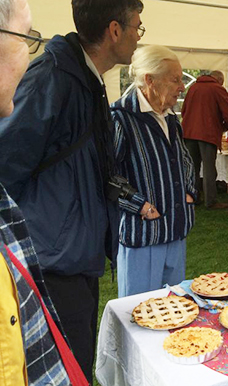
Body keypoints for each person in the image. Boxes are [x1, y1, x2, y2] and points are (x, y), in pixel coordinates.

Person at [0, 0, 144, 381]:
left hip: (76, 256)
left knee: (77, 364)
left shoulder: (85, 79)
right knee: (64, 369)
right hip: (54, 262)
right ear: (115, 31)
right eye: (137, 27)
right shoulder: (52, 78)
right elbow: (5, 161)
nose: (138, 36)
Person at [0, 0, 87, 384]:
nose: (31, 48)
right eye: (26, 37)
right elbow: (11, 161)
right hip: (58, 248)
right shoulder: (49, 76)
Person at [111, 45, 196, 297]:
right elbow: (106, 175)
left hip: (176, 231)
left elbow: (185, 160)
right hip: (144, 235)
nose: (182, 87)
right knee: (138, 312)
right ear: (150, 80)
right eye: (175, 80)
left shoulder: (170, 118)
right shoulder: (121, 118)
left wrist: (189, 192)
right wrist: (141, 206)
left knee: (174, 309)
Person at [182, 70, 228, 209]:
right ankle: (210, 201)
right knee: (209, 168)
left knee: (192, 167)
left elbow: (184, 110)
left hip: (189, 133)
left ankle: (193, 197)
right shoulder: (217, 89)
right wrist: (223, 127)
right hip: (208, 133)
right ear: (219, 79)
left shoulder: (193, 87)